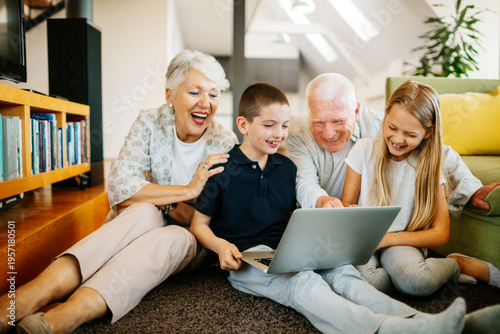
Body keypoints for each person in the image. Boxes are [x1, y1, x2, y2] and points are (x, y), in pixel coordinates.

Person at [189, 82, 489, 334]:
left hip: (291, 249)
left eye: (283, 125)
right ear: (243, 124)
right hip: (248, 258)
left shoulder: (285, 167)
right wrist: (221, 247)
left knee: (345, 272)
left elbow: (290, 211)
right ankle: (389, 329)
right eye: (269, 125)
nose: (279, 133)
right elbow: (198, 224)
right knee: (304, 285)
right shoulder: (221, 169)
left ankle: (424, 321)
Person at [0, 49, 238, 334]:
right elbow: (122, 186)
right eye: (195, 92)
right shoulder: (150, 121)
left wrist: (163, 202)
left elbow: (216, 219)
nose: (205, 104)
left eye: (213, 94)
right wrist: (187, 191)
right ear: (170, 95)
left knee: (167, 234)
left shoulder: (224, 142)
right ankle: (25, 298)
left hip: (191, 238)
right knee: (142, 212)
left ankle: (63, 317)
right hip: (145, 217)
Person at [285, 72, 500, 289]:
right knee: (358, 278)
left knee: (412, 279)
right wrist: (322, 201)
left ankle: (450, 265)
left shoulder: (390, 125)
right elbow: (305, 183)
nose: (329, 131)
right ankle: (398, 273)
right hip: (352, 227)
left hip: (396, 236)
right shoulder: (299, 133)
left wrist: (472, 189)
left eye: (338, 120)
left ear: (356, 111)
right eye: (319, 122)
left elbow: (440, 153)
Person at [341, 80, 463, 295]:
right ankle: (399, 278)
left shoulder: (430, 166)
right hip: (366, 237)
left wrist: (388, 239)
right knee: (365, 283)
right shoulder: (363, 150)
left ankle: (456, 265)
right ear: (385, 115)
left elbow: (441, 233)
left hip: (403, 240)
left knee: (417, 282)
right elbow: (346, 205)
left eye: (410, 134)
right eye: (392, 127)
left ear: (428, 132)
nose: (397, 139)